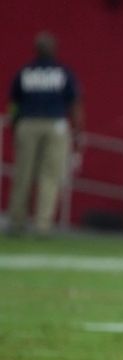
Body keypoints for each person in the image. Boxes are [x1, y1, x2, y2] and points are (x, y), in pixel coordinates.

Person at [6, 31, 83, 237]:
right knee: (35, 174)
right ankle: (29, 222)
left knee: (39, 174)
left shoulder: (28, 72)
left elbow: (13, 104)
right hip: (48, 124)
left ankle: (35, 223)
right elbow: (75, 104)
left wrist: (15, 125)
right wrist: (78, 130)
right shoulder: (58, 72)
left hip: (37, 124)